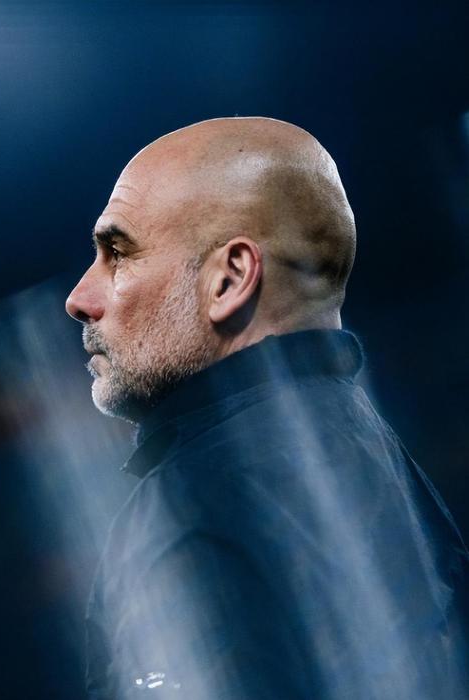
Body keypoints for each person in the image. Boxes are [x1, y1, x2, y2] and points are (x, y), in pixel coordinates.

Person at [65, 117, 469, 699]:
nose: (80, 298)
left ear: (230, 279)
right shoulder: (381, 464)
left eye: (118, 253)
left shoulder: (187, 504)